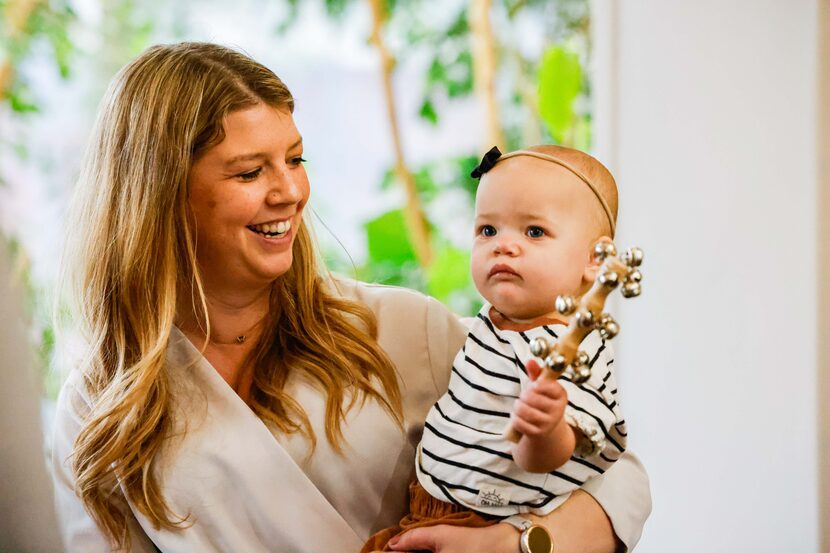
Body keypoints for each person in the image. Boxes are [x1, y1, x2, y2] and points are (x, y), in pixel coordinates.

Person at [50, 42, 651, 553]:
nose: (290, 192)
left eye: (294, 159)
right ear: (160, 195)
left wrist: (517, 544)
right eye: (249, 172)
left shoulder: (403, 328)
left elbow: (616, 477)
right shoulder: (98, 410)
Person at [362, 144, 630, 553]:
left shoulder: (567, 349)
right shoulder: (495, 319)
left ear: (595, 260)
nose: (503, 246)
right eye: (488, 230)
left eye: (534, 232)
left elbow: (548, 458)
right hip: (426, 508)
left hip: (487, 521)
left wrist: (546, 429)